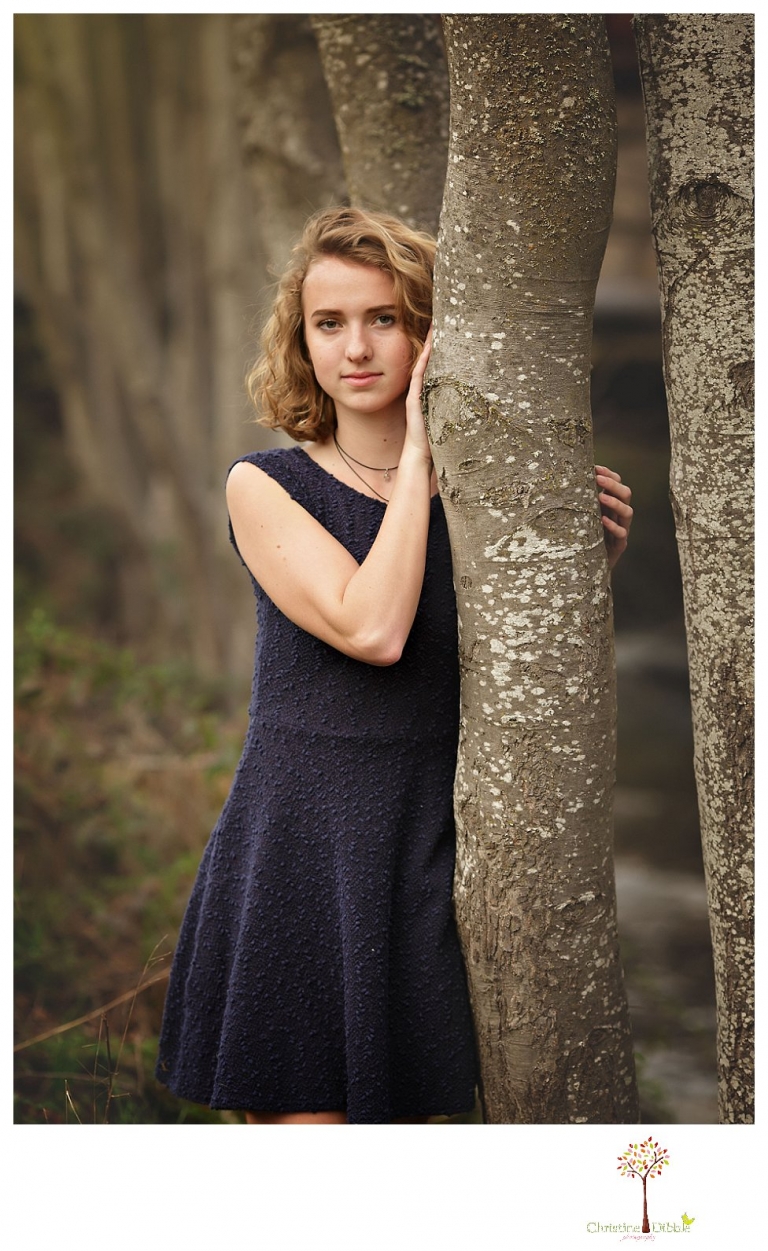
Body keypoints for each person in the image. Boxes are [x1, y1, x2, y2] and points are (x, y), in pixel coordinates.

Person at [155, 206, 633, 1125]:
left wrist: (579, 580)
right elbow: (373, 629)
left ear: (429, 332)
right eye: (329, 323)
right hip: (302, 843)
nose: (357, 347)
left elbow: (511, 685)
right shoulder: (265, 486)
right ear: (301, 340)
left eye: (386, 318)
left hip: (429, 848)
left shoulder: (484, 508)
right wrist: (419, 453)